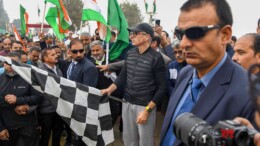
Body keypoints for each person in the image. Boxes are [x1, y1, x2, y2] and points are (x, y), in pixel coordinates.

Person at [160, 0, 255, 145]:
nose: (184, 43)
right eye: (180, 34)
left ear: (225, 35)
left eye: (195, 33)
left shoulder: (252, 94)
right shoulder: (185, 73)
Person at [101, 22, 167, 146]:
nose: (131, 36)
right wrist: (108, 90)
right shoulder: (130, 54)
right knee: (129, 141)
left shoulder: (157, 58)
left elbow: (162, 87)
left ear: (147, 36)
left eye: (135, 34)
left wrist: (147, 110)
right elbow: (122, 77)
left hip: (145, 106)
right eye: (132, 34)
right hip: (127, 102)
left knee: (145, 142)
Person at [0, 52, 43, 146]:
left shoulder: (29, 78)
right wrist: (0, 128)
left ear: (20, 64)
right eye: (7, 63)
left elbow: (39, 97)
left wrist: (19, 100)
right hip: (6, 128)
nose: (10, 66)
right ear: (3, 63)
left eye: (14, 63)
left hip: (27, 127)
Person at [67, 39, 98, 146]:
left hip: (82, 108)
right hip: (72, 105)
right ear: (69, 51)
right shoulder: (71, 63)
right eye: (75, 52)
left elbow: (86, 92)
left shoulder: (89, 67)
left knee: (83, 139)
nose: (79, 54)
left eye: (81, 50)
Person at [39, 48, 64, 146]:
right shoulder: (41, 71)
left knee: (57, 134)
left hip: (58, 108)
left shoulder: (58, 69)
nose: (56, 56)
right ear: (45, 58)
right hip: (46, 109)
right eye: (53, 55)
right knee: (46, 135)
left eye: (56, 54)